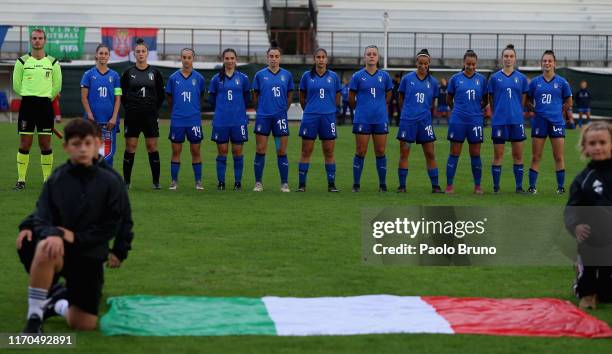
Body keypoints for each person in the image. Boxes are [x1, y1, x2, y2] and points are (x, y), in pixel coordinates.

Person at [18, 119, 132, 333]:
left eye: (88, 143)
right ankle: (34, 318)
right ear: (66, 146)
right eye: (77, 144)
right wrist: (53, 233)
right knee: (45, 246)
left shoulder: (111, 181)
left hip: (91, 254)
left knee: (85, 324)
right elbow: (42, 215)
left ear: (98, 144)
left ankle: (57, 302)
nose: (82, 149)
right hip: (61, 250)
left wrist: (118, 250)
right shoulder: (57, 179)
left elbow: (115, 223)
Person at [565, 121, 612, 309]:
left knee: (607, 295)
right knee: (587, 297)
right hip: (591, 242)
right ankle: (583, 282)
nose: (598, 147)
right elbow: (571, 209)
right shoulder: (582, 180)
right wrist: (575, 225)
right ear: (585, 147)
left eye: (602, 142)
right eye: (592, 143)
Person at [12, 28, 62, 190]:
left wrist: (46, 97)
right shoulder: (21, 61)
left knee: (45, 144)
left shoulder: (53, 63)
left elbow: (57, 86)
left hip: (45, 107)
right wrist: (30, 95)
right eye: (34, 38)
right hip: (27, 105)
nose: (37, 41)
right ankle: (21, 180)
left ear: (45, 41)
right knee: (25, 143)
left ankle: (47, 180)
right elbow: (16, 85)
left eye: (40, 38)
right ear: (30, 40)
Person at [396, 48, 443, 193]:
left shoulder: (433, 82)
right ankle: (402, 186)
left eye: (425, 63)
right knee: (404, 153)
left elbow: (432, 101)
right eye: (420, 63)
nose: (422, 66)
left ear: (429, 63)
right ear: (416, 62)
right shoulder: (407, 79)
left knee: (430, 153)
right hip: (408, 121)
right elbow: (401, 98)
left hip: (424, 122)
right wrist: (408, 112)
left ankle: (435, 186)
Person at [121, 38, 165, 189]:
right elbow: (122, 95)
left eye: (143, 51)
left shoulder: (155, 73)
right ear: (134, 54)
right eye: (138, 51)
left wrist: (152, 108)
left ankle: (156, 182)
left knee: (152, 146)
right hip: (132, 115)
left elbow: (161, 95)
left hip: (150, 116)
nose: (140, 54)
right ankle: (126, 182)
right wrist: (131, 108)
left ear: (147, 53)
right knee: (130, 147)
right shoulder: (128, 73)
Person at [527, 50, 573, 194]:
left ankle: (560, 188)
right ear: (542, 63)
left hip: (557, 123)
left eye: (549, 61)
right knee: (536, 156)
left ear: (554, 64)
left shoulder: (562, 82)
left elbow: (569, 101)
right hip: (539, 122)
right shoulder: (535, 82)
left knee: (558, 156)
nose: (547, 63)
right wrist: (535, 110)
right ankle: (532, 187)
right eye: (544, 61)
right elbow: (527, 100)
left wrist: (559, 111)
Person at [297, 48, 342, 192]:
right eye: (318, 57)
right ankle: (302, 185)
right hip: (310, 117)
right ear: (314, 59)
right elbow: (302, 96)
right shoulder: (306, 76)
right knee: (306, 151)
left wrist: (329, 109)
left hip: (328, 117)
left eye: (323, 57)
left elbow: (337, 97)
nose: (321, 59)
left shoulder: (334, 76)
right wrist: (310, 109)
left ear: (327, 59)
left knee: (329, 151)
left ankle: (331, 184)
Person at [349, 45, 393, 192]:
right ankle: (356, 184)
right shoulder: (357, 76)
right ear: (364, 57)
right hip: (362, 118)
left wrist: (379, 107)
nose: (372, 56)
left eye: (374, 54)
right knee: (361, 151)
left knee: (380, 151)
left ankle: (382, 184)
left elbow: (388, 95)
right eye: (369, 54)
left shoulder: (385, 76)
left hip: (380, 118)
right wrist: (361, 108)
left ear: (378, 57)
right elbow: (351, 98)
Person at [487, 44, 530, 193]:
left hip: (517, 121)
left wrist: (517, 111)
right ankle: (496, 187)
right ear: (502, 58)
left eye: (511, 56)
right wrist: (497, 112)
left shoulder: (522, 78)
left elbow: (524, 99)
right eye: (506, 56)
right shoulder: (494, 78)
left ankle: (519, 187)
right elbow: (491, 99)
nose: (508, 59)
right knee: (498, 156)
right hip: (499, 121)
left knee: (517, 155)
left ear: (515, 59)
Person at [252, 42, 294, 192]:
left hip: (280, 118)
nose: (274, 59)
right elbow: (255, 94)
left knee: (281, 151)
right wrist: (260, 110)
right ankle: (258, 182)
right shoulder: (260, 75)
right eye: (271, 56)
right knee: (260, 149)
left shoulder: (286, 75)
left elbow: (290, 94)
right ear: (267, 57)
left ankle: (284, 183)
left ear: (280, 58)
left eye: (276, 56)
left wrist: (284, 108)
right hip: (263, 117)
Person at [445, 50, 488, 194]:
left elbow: (486, 99)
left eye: (473, 64)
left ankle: (477, 186)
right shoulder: (455, 79)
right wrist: (457, 110)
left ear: (476, 64)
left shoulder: (481, 80)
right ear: (464, 63)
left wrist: (476, 110)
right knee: (454, 153)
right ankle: (449, 186)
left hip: (475, 121)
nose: (470, 66)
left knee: (475, 154)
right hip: (458, 121)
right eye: (468, 64)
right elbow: (449, 98)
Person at [209, 48, 250, 191]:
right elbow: (212, 100)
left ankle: (238, 182)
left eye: (232, 58)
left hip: (238, 121)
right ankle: (221, 182)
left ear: (236, 59)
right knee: (222, 152)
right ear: (223, 60)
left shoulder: (243, 78)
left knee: (238, 152)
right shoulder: (216, 79)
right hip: (221, 121)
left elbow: (247, 98)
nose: (230, 61)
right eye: (227, 58)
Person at [165, 48, 205, 190]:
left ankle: (198, 181)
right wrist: (177, 110)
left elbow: (201, 96)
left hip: (194, 120)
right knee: (176, 151)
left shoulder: (199, 78)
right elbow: (169, 98)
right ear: (180, 58)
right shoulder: (173, 78)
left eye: (189, 57)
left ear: (193, 58)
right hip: (178, 120)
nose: (186, 60)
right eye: (184, 57)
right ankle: (174, 181)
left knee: (196, 151)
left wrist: (193, 110)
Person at [80, 43, 122, 167]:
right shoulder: (88, 74)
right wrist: (89, 114)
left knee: (108, 155)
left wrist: (114, 117)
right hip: (92, 121)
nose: (103, 56)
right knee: (91, 153)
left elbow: (117, 99)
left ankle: (107, 183)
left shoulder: (115, 76)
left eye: (106, 53)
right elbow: (84, 97)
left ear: (109, 56)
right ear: (96, 55)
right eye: (101, 53)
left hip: (110, 121)